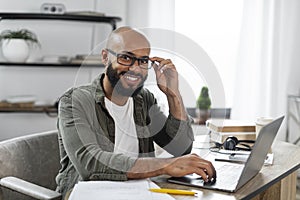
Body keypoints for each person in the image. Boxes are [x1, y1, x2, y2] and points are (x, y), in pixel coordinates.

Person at [55, 26, 216, 197]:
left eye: (143, 61)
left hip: (137, 190)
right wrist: (166, 165)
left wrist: (173, 94)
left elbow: (180, 147)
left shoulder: (143, 100)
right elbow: (90, 164)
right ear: (105, 57)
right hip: (87, 192)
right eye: (126, 58)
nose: (136, 69)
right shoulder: (75, 101)